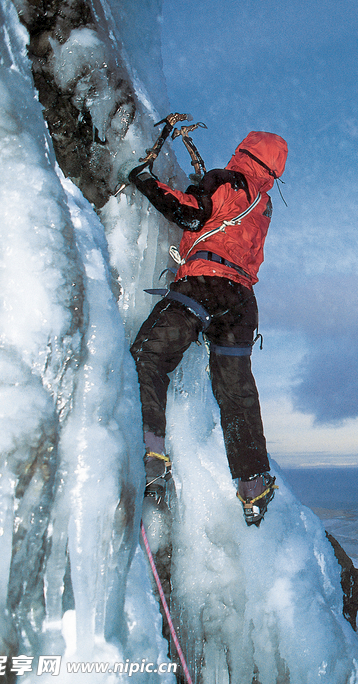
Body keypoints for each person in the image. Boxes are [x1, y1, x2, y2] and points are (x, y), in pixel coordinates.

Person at [128, 131, 287, 526]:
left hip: (205, 285)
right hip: (241, 303)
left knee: (150, 353)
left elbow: (192, 212)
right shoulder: (263, 205)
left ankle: (152, 455)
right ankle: (254, 485)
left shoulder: (227, 179)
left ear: (242, 152)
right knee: (235, 392)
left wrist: (144, 181)